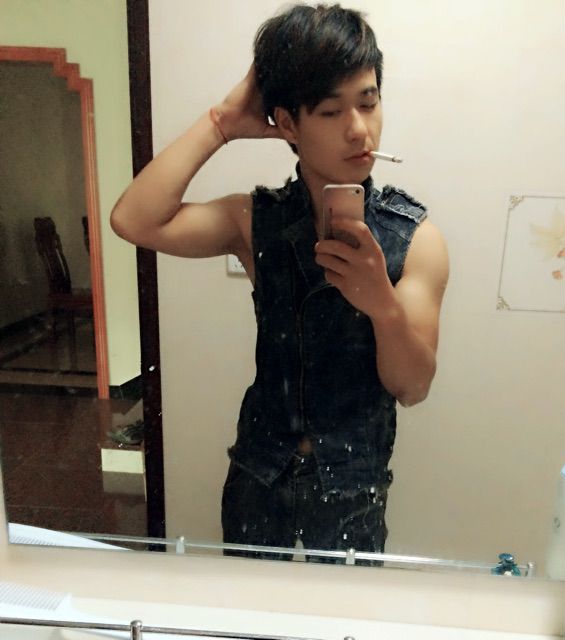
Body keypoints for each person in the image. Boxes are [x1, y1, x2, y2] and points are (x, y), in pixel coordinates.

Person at [111, 3, 449, 563]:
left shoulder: (414, 239)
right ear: (288, 124)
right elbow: (134, 221)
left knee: (341, 611)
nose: (359, 129)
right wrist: (221, 124)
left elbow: (412, 388)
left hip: (352, 486)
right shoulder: (255, 220)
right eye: (331, 110)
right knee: (248, 606)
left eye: (368, 102)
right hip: (258, 473)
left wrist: (382, 306)